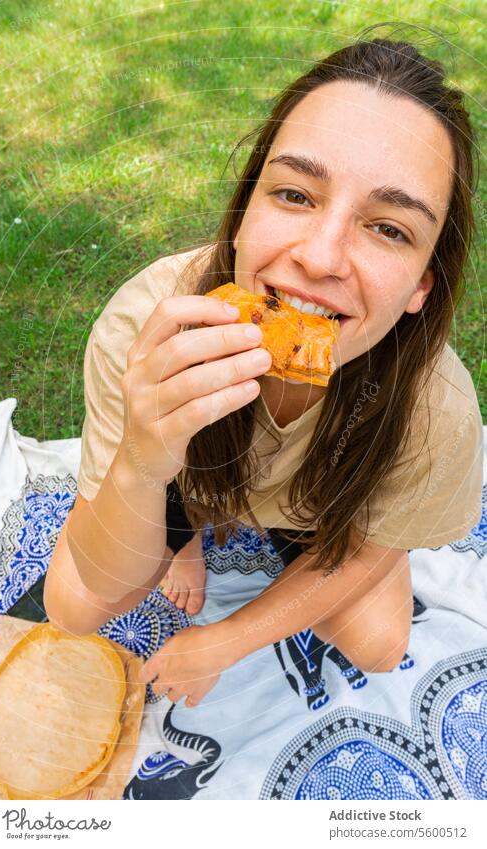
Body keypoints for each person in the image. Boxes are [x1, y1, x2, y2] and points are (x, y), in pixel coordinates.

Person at [44, 33, 483, 710]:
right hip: (193, 480)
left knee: (379, 641)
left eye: (389, 228)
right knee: (73, 602)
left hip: (323, 504)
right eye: (296, 194)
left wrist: (223, 640)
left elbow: (364, 563)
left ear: (422, 284)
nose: (321, 257)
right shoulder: (146, 324)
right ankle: (187, 523)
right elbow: (87, 586)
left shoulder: (436, 410)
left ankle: (302, 522)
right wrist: (139, 462)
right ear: (247, 211)